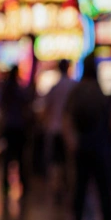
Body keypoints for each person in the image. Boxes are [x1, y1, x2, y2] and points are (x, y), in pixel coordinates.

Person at [65, 55, 111, 220]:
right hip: (99, 145)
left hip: (84, 145)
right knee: (103, 188)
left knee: (81, 187)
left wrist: (72, 140)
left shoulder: (78, 90)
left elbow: (68, 117)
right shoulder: (99, 90)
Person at [40, 59, 78, 202]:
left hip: (55, 129)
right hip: (70, 131)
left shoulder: (54, 88)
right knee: (69, 162)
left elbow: (46, 108)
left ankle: (58, 191)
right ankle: (69, 191)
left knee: (56, 163)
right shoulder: (74, 86)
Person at [0, 67, 33, 197]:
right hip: (19, 127)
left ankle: (6, 185)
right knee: (21, 157)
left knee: (8, 158)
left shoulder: (6, 90)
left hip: (9, 126)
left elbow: (2, 108)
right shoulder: (19, 90)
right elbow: (27, 104)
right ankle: (23, 184)